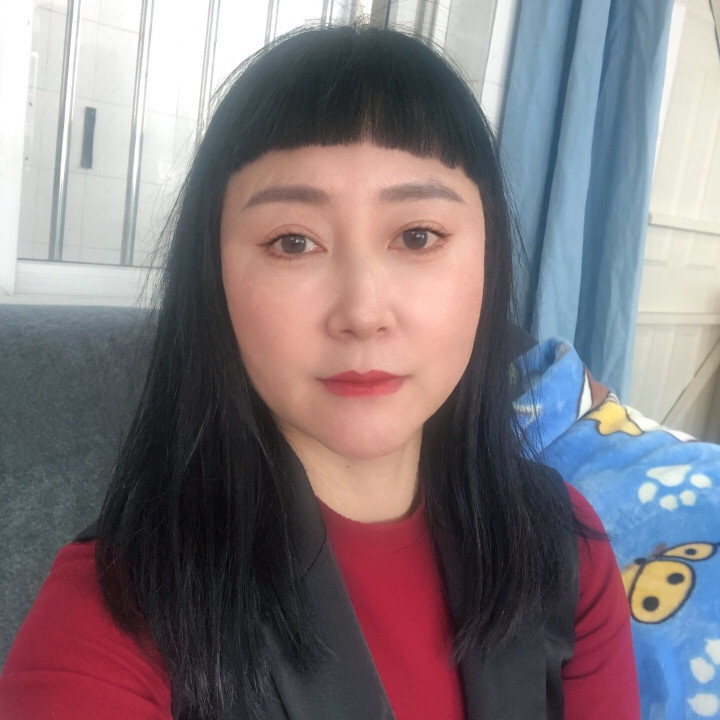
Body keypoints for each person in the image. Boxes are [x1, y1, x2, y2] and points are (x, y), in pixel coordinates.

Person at [0, 24, 639, 719]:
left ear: (488, 263)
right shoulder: (116, 611)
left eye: (417, 236)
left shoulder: (560, 548)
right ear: (215, 278)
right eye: (293, 242)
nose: (362, 312)